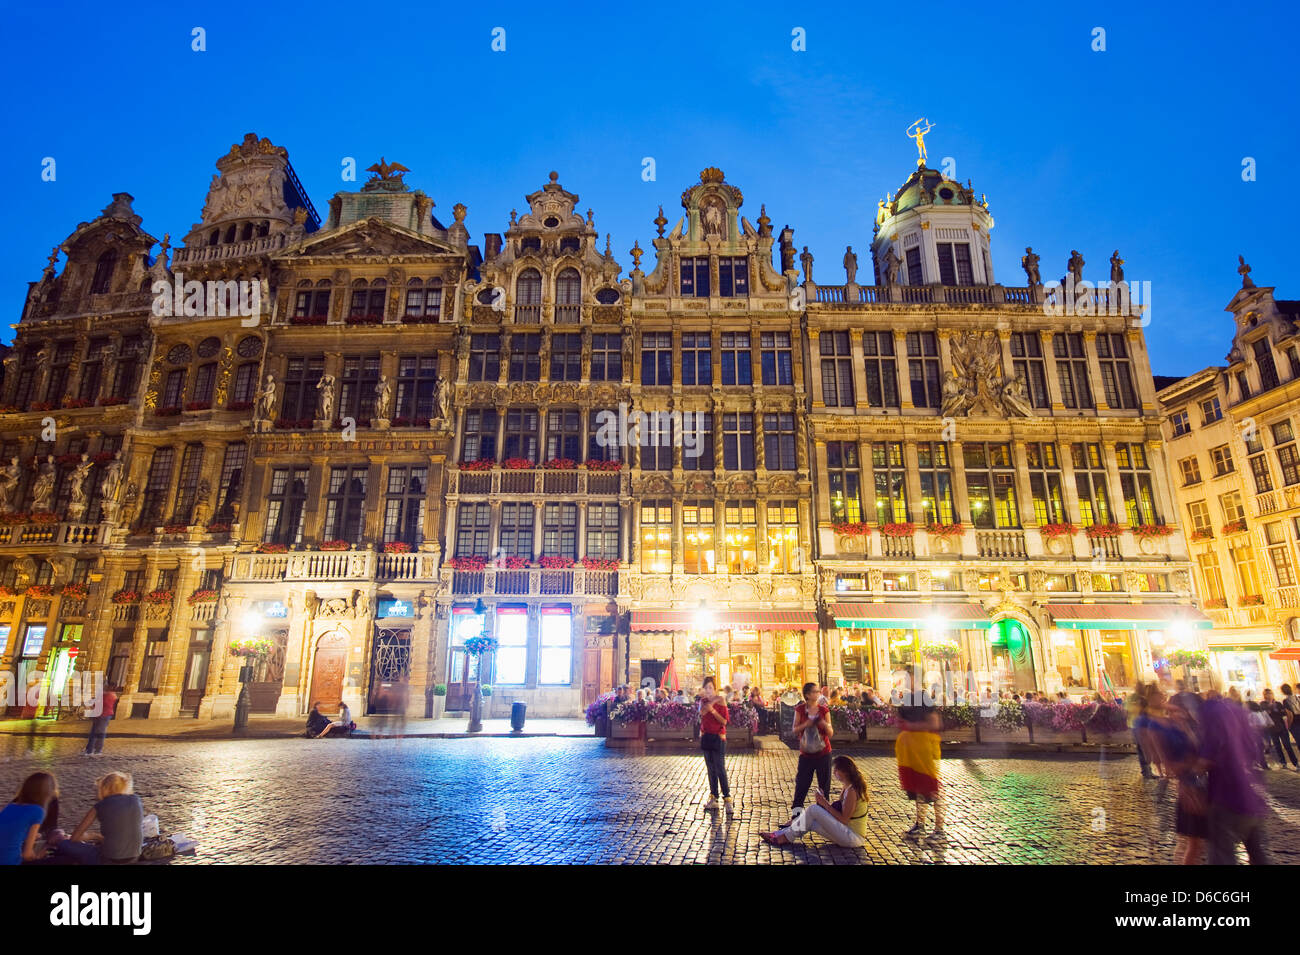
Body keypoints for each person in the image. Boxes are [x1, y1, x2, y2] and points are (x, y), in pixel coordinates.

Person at [1198, 693, 1270, 864]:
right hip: (1252, 797)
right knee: (1258, 853)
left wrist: (1188, 772)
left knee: (1222, 854)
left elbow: (1206, 759)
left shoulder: (1214, 719)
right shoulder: (1242, 721)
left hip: (1226, 797)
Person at [763, 756, 869, 848]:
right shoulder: (847, 787)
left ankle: (784, 838)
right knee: (810, 822)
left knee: (814, 809)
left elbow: (844, 819)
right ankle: (776, 834)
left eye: (836, 769)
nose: (834, 772)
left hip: (853, 837)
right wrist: (824, 801)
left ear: (845, 772)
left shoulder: (852, 790)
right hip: (846, 833)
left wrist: (824, 803)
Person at [55, 772, 144, 865]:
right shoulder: (136, 800)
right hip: (134, 857)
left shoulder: (100, 805)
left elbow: (75, 838)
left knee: (65, 844)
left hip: (108, 860)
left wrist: (94, 836)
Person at [779, 682, 833, 827]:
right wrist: (806, 724)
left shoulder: (824, 710)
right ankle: (796, 818)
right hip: (806, 754)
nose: (818, 694)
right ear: (808, 695)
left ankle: (824, 819)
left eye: (818, 691)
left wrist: (822, 724)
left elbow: (831, 732)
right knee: (801, 787)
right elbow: (794, 730)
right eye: (815, 691)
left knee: (824, 787)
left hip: (823, 753)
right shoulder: (800, 709)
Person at [896, 705, 944, 841]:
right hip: (911, 750)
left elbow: (934, 723)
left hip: (925, 749)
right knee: (918, 789)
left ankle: (939, 829)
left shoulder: (923, 698)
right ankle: (920, 825)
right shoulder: (906, 699)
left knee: (933, 789)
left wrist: (910, 726)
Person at [1, 772, 58, 865]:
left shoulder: (10, 807)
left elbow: (9, 833)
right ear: (48, 793)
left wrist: (31, 836)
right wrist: (39, 856)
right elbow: (27, 855)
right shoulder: (37, 811)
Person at [698, 678, 733, 813]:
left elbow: (724, 721)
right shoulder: (703, 702)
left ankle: (727, 798)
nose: (708, 691)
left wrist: (712, 709)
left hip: (718, 737)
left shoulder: (721, 700)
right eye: (706, 688)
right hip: (706, 736)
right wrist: (709, 704)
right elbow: (701, 713)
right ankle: (714, 798)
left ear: (715, 688)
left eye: (710, 688)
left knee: (720, 768)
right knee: (710, 768)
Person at [1262, 688, 1298, 770]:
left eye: (1270, 693)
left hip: (1282, 727)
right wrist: (1273, 710)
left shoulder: (1278, 703)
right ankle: (1283, 763)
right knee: (1277, 746)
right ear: (1264, 695)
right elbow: (1266, 713)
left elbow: (1283, 713)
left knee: (1287, 746)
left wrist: (1274, 711)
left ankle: (1295, 762)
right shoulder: (1263, 704)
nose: (1269, 695)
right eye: (1267, 693)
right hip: (1272, 728)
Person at [84, 687, 118, 756]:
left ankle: (93, 750)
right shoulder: (113, 695)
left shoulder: (105, 696)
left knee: (97, 734)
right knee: (97, 733)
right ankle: (91, 749)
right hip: (105, 715)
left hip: (102, 715)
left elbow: (97, 704)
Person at [1282, 684, 1300, 754]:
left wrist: (1288, 726)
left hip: (1294, 723)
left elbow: (1290, 715)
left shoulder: (1286, 701)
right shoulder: (1297, 698)